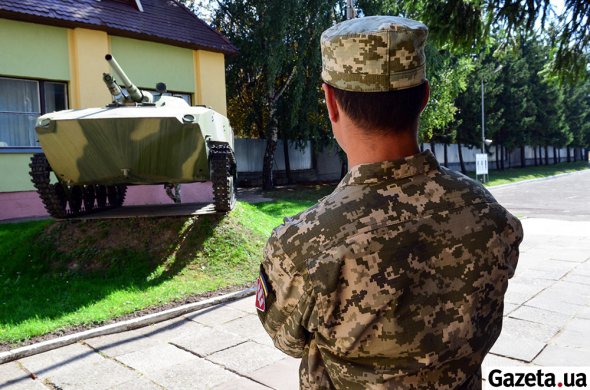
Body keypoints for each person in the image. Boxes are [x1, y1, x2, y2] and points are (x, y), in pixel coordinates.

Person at [256, 15, 523, 389]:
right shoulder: (492, 219)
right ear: (425, 98)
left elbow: (288, 340)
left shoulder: (302, 247)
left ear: (331, 102)